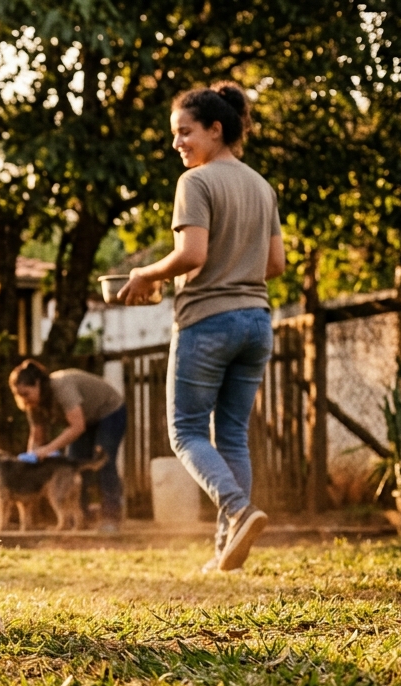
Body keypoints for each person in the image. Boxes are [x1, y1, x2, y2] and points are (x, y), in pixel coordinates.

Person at [118, 82, 286, 573]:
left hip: (208, 321)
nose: (178, 144)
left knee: (187, 432)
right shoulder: (261, 185)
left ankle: (238, 509)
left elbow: (193, 254)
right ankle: (225, 551)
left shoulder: (197, 182)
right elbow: (274, 264)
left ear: (216, 129)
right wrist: (236, 268)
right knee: (231, 434)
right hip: (256, 321)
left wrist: (146, 274)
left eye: (184, 132)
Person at [8, 359, 128, 532]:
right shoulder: (33, 405)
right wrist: (31, 460)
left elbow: (77, 426)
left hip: (109, 411)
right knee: (73, 465)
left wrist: (48, 450)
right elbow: (37, 436)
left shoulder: (61, 386)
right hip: (86, 418)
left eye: (25, 393)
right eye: (18, 395)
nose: (22, 399)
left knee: (104, 462)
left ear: (37, 384)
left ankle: (112, 518)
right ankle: (81, 519)